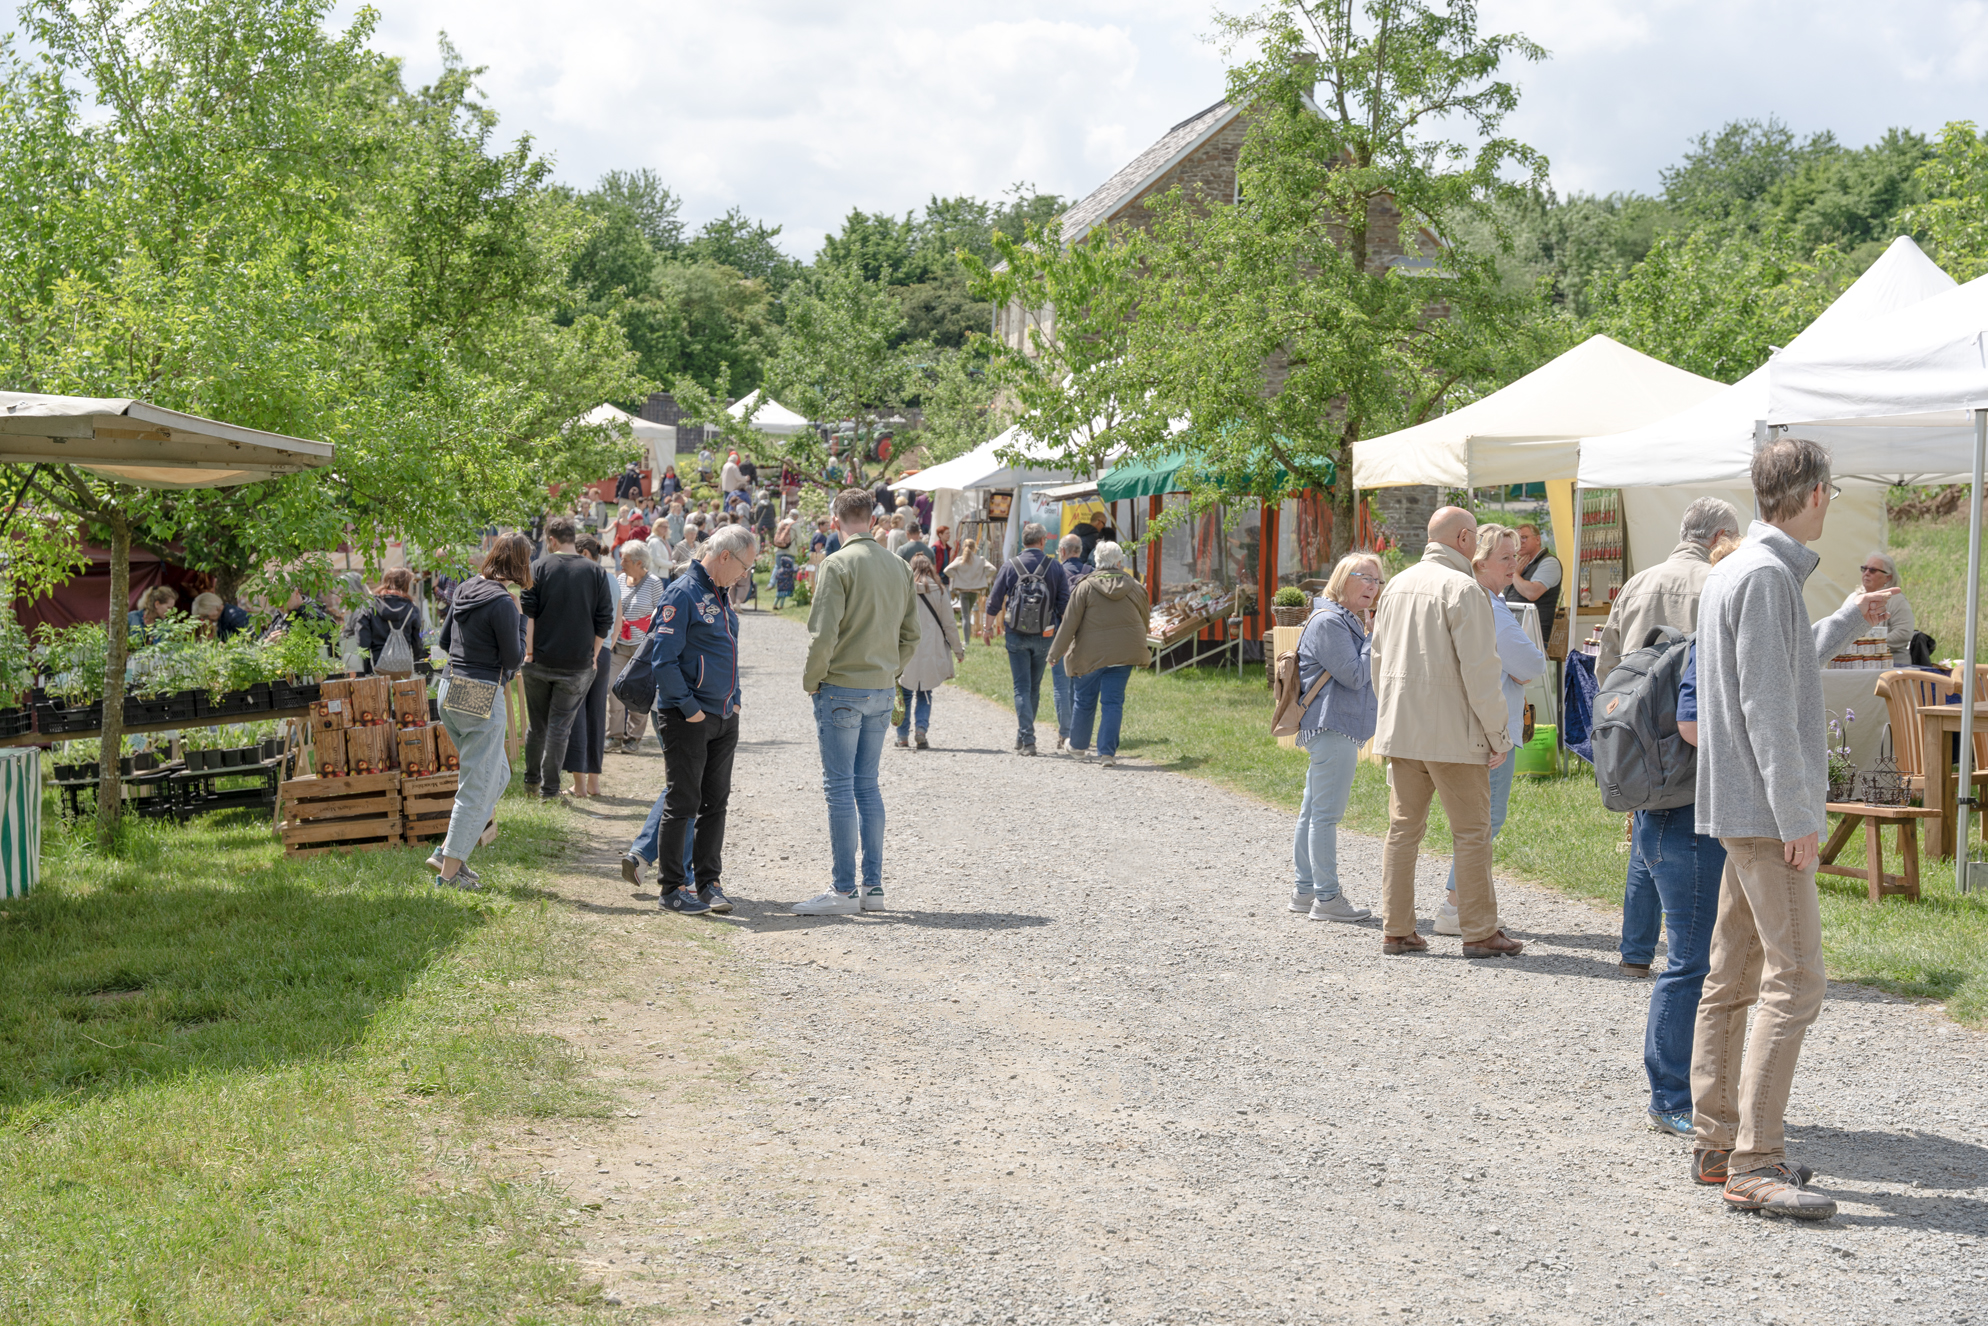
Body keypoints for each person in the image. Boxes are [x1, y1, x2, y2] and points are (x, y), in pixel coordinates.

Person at [1690, 437, 1895, 1219]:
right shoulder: (1768, 574)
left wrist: (1845, 616)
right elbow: (1768, 710)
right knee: (1796, 978)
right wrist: (1800, 816)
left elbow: (1772, 675)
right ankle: (1755, 1161)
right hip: (1765, 813)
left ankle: (1717, 1142)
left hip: (1739, 807)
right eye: (1831, 494)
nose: (1831, 505)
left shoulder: (1735, 568)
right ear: (1811, 494)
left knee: (1733, 976)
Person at [1595, 497, 1744, 976]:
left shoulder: (1639, 581)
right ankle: (1699, 954)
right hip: (1695, 725)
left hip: (1639, 728)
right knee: (1697, 837)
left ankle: (1636, 951)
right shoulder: (1719, 581)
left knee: (1647, 829)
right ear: (1720, 537)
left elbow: (1607, 664)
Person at [1636, 533, 1750, 1141]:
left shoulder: (1715, 638)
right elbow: (1692, 724)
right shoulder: (1711, 642)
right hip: (1686, 822)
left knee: (1698, 959)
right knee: (1691, 962)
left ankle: (1686, 1091)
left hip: (1673, 818)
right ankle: (1671, 1097)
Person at [1370, 506, 1520, 958]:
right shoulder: (1463, 589)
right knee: (1472, 831)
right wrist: (1499, 734)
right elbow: (1481, 671)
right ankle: (1478, 930)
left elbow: (1377, 657)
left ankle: (1396, 928)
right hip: (1453, 734)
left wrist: (1390, 713)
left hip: (1403, 727)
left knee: (1402, 830)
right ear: (1464, 539)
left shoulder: (1395, 584)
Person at [793, 487, 920, 915]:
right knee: (867, 785)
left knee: (840, 788)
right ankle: (874, 887)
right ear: (873, 519)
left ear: (836, 520)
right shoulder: (899, 565)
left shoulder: (836, 564)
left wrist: (812, 679)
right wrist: (889, 670)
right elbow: (911, 636)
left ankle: (844, 889)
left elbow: (823, 633)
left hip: (842, 687)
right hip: (882, 687)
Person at [1433, 525, 1547, 935]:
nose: (1513, 564)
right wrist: (1514, 670)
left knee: (1474, 822)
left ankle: (1457, 905)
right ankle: (1454, 906)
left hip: (1465, 725)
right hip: (1491, 730)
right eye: (1505, 557)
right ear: (1479, 562)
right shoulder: (1492, 606)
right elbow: (1533, 664)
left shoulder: (1464, 596)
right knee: (1484, 822)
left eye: (1515, 556)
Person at [642, 524, 757, 915]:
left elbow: (731, 653)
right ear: (725, 555)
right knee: (683, 801)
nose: (745, 575)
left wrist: (735, 701)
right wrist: (689, 707)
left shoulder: (720, 595)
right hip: (688, 717)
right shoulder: (683, 592)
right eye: (744, 566)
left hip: (724, 716)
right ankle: (672, 888)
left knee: (716, 803)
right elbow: (663, 659)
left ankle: (708, 883)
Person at [431, 534, 530, 889]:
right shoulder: (505, 603)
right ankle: (448, 871)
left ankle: (449, 851)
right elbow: (513, 659)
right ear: (521, 564)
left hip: (449, 686)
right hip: (480, 691)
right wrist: (520, 619)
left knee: (497, 775)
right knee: (477, 784)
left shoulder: (465, 589)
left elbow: (444, 643)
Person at [1288, 552, 1383, 922]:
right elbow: (1356, 676)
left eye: (1377, 580)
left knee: (1313, 811)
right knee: (1325, 816)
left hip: (1330, 725)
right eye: (1366, 577)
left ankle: (1304, 891)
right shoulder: (1331, 621)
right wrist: (1373, 639)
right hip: (1332, 725)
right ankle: (1327, 898)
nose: (1373, 586)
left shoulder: (1343, 619)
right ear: (1343, 579)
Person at [518, 514, 614, 800]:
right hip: (577, 665)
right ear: (574, 537)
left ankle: (531, 784)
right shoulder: (596, 572)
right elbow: (604, 621)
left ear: (551, 540)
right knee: (559, 727)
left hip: (539, 662)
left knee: (537, 726)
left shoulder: (537, 567)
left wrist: (530, 653)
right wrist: (594, 655)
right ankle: (550, 791)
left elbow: (529, 616)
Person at [1046, 541, 1149, 769]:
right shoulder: (1134, 586)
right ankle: (1107, 754)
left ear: (1096, 562)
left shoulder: (1085, 586)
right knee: (1113, 702)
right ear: (1119, 562)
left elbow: (1069, 623)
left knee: (1084, 700)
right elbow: (1144, 617)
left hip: (1089, 655)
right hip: (1124, 653)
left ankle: (1079, 747)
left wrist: (1055, 653)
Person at [983, 523, 1069, 756]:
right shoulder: (1055, 567)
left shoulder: (1010, 566)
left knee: (1021, 686)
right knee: (1034, 686)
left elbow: (994, 601)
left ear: (1024, 541)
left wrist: (987, 629)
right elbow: (1064, 606)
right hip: (1045, 635)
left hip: (1016, 634)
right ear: (1042, 541)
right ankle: (1025, 736)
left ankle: (1027, 739)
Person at [561, 534, 615, 797]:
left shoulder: (585, 577)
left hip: (586, 652)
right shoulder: (612, 579)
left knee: (577, 716)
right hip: (605, 653)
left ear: (583, 553)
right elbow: (619, 618)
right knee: (596, 716)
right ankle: (594, 783)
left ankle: (580, 785)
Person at [894, 554, 965, 750]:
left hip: (906, 647)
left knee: (905, 693)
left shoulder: (902, 588)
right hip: (931, 648)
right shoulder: (940, 590)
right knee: (925, 692)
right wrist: (958, 651)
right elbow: (949, 624)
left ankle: (901, 736)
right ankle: (921, 730)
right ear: (930, 568)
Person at [608, 541, 666, 754]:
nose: (620, 562)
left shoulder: (654, 583)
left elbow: (660, 614)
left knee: (638, 693)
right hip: (620, 645)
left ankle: (633, 738)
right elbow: (613, 605)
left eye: (625, 559)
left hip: (642, 649)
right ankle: (613, 736)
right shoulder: (620, 579)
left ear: (639, 562)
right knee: (613, 689)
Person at [1046, 533, 1094, 753]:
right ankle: (1078, 733)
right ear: (1079, 550)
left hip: (1059, 635)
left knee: (1061, 686)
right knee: (1080, 686)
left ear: (1063, 551)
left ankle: (1065, 733)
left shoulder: (1055, 572)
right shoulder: (1091, 573)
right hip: (1084, 638)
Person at [355, 568, 425, 676]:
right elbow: (417, 644)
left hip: (377, 666)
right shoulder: (412, 609)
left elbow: (362, 642)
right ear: (405, 585)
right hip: (404, 668)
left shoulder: (369, 607)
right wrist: (417, 663)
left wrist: (366, 671)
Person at [1850, 551, 1915, 665]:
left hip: (1892, 664)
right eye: (1864, 569)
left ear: (1888, 577)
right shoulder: (1853, 598)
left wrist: (1870, 644)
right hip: (1858, 663)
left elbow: (1904, 633)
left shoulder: (1896, 600)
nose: (1866, 573)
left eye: (1873, 570)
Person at [1505, 522, 1562, 638]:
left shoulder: (1550, 562)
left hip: (1534, 636)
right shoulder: (1519, 563)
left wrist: (1515, 574)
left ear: (1537, 539)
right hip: (1514, 631)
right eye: (1516, 539)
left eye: (1524, 537)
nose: (1520, 542)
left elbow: (1532, 593)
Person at [946, 538, 995, 640]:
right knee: (967, 614)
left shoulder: (959, 560)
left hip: (963, 591)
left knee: (965, 616)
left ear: (963, 547)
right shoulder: (980, 559)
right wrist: (982, 576)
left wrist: (957, 576)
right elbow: (993, 569)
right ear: (974, 548)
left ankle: (966, 641)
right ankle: (967, 639)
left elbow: (947, 570)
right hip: (974, 590)